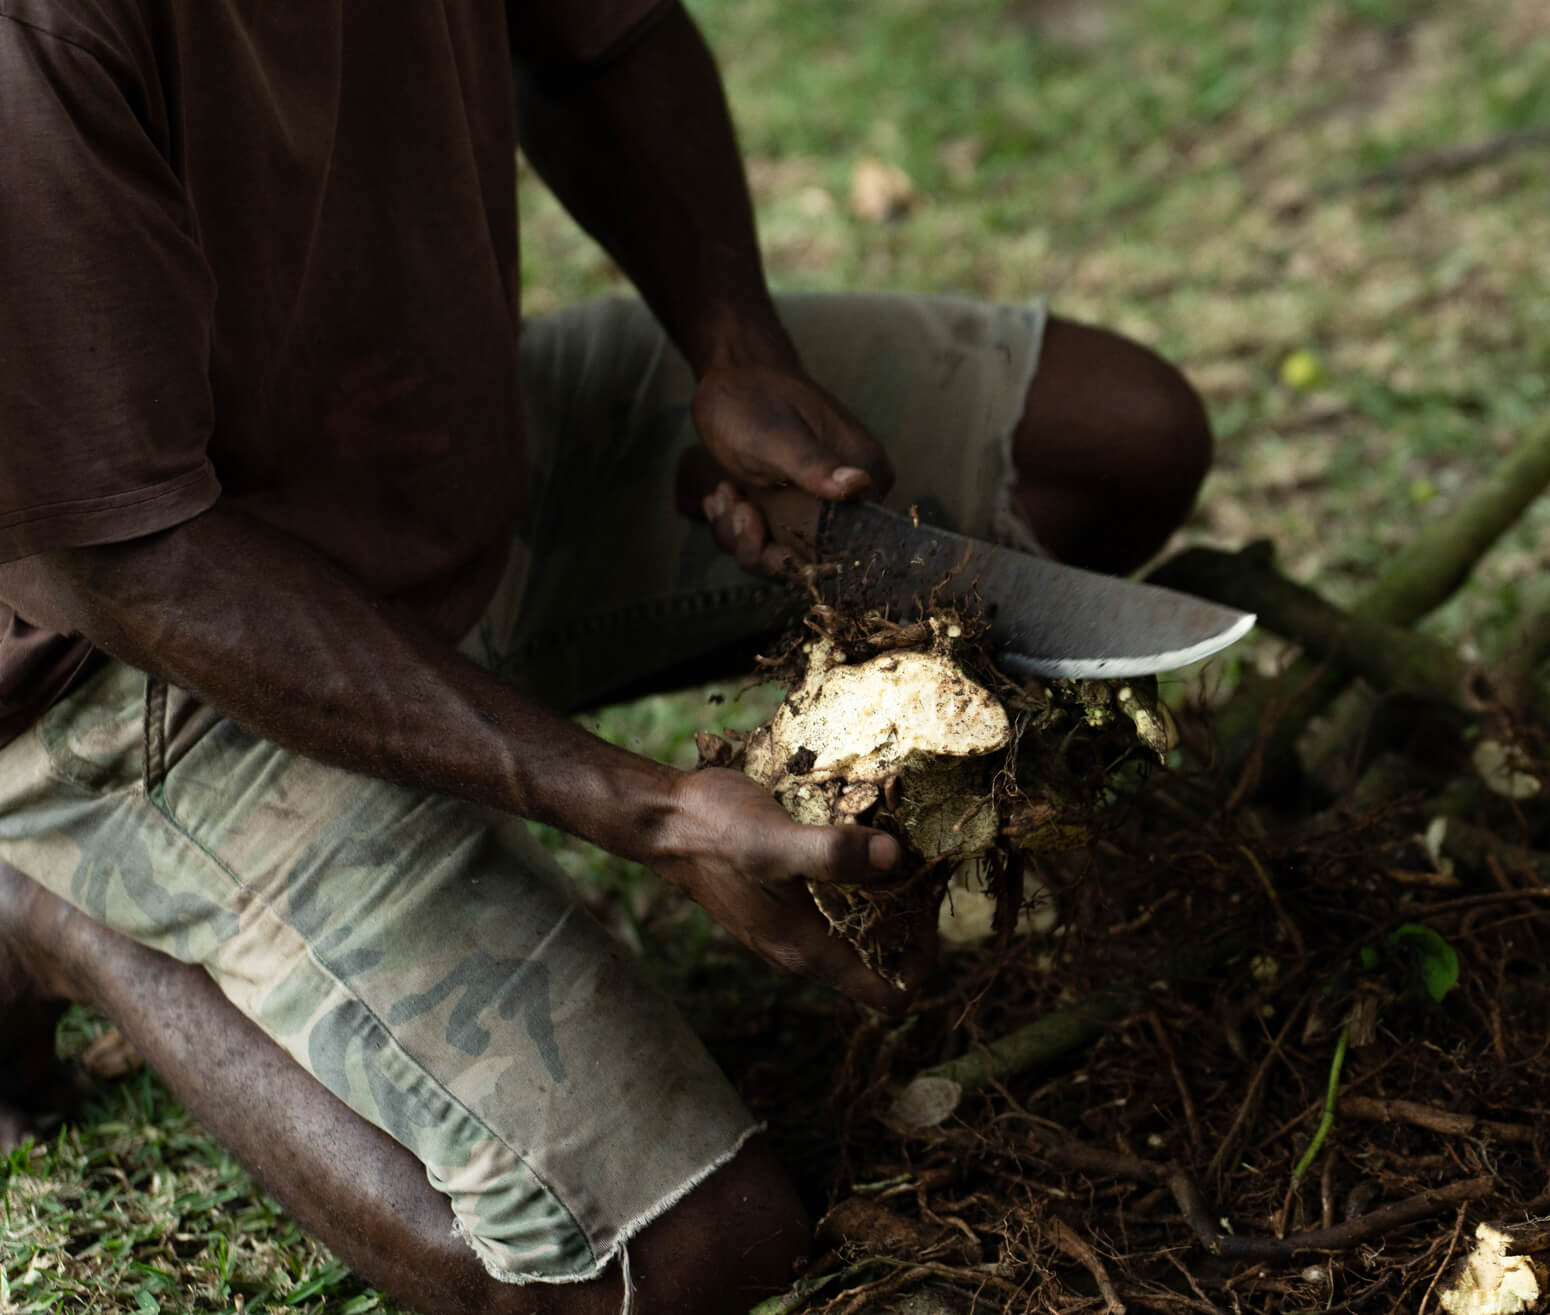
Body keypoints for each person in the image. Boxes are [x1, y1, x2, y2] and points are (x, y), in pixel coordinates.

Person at [0, 3, 1212, 1311]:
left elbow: (608, 40)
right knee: (679, 1259)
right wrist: (640, 806)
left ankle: (444, 724)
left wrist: (735, 345)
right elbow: (123, 560)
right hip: (140, 659)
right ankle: (59, 925)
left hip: (435, 470)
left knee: (1103, 447)